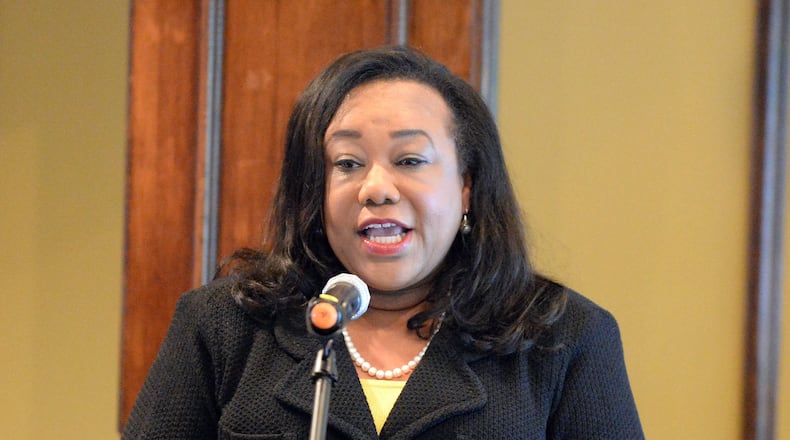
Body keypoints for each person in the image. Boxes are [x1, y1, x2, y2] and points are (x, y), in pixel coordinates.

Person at [123, 46, 643, 439]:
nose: (375, 188)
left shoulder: (566, 336)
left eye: (410, 160)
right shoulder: (223, 324)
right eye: (346, 164)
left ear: (465, 184)